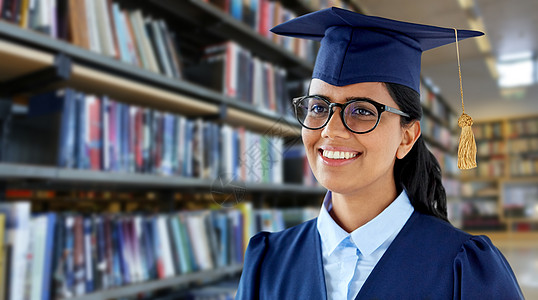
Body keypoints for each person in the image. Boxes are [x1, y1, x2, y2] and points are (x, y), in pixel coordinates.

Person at [235, 7, 524, 300]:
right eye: (319, 107)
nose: (330, 130)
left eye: (361, 110)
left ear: (407, 137)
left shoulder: (462, 267)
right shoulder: (268, 261)